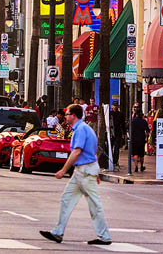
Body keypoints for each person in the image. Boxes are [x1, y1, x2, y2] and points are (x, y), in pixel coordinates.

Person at [40, 103, 112, 246]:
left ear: (73, 115)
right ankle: (58, 232)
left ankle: (104, 237)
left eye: (67, 114)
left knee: (94, 204)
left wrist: (63, 170)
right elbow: (91, 152)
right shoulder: (85, 129)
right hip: (83, 171)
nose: (65, 117)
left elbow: (77, 151)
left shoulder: (80, 130)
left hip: (84, 172)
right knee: (67, 199)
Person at [130, 107, 148, 173]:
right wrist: (146, 137)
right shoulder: (144, 121)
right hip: (141, 139)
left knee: (135, 153)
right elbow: (147, 131)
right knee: (141, 154)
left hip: (134, 139)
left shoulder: (133, 121)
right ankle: (141, 166)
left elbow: (129, 129)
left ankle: (136, 167)